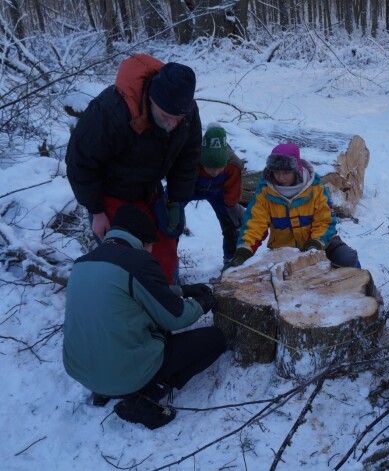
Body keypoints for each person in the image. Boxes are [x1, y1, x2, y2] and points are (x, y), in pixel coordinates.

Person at [63, 205, 225, 429]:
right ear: (144, 242)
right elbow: (175, 317)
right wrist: (202, 304)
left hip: (82, 371)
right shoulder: (138, 260)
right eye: (151, 247)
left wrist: (183, 291)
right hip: (123, 375)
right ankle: (145, 396)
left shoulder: (82, 263)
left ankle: (102, 391)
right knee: (215, 339)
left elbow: (131, 291)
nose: (150, 251)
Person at [65, 54, 202, 285]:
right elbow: (80, 162)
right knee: (125, 261)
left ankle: (167, 300)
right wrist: (96, 211)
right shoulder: (110, 111)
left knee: (165, 251)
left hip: (150, 189)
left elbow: (187, 158)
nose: (173, 124)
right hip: (112, 192)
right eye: (166, 116)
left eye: (178, 118)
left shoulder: (186, 112)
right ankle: (131, 311)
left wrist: (177, 200)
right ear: (151, 99)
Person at [229, 143, 359, 268]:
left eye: (286, 173)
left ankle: (366, 287)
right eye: (276, 172)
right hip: (284, 250)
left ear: (296, 171)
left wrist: (316, 243)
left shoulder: (315, 188)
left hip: (322, 242)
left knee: (347, 258)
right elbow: (254, 224)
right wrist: (244, 250)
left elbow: (325, 221)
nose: (280, 177)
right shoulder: (264, 192)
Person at [183, 123, 245, 266]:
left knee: (231, 225)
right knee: (171, 223)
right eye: (210, 167)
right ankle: (170, 266)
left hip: (219, 191)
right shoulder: (191, 161)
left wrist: (235, 212)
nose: (215, 172)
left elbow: (232, 195)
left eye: (219, 168)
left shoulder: (233, 165)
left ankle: (230, 261)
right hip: (191, 188)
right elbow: (179, 189)